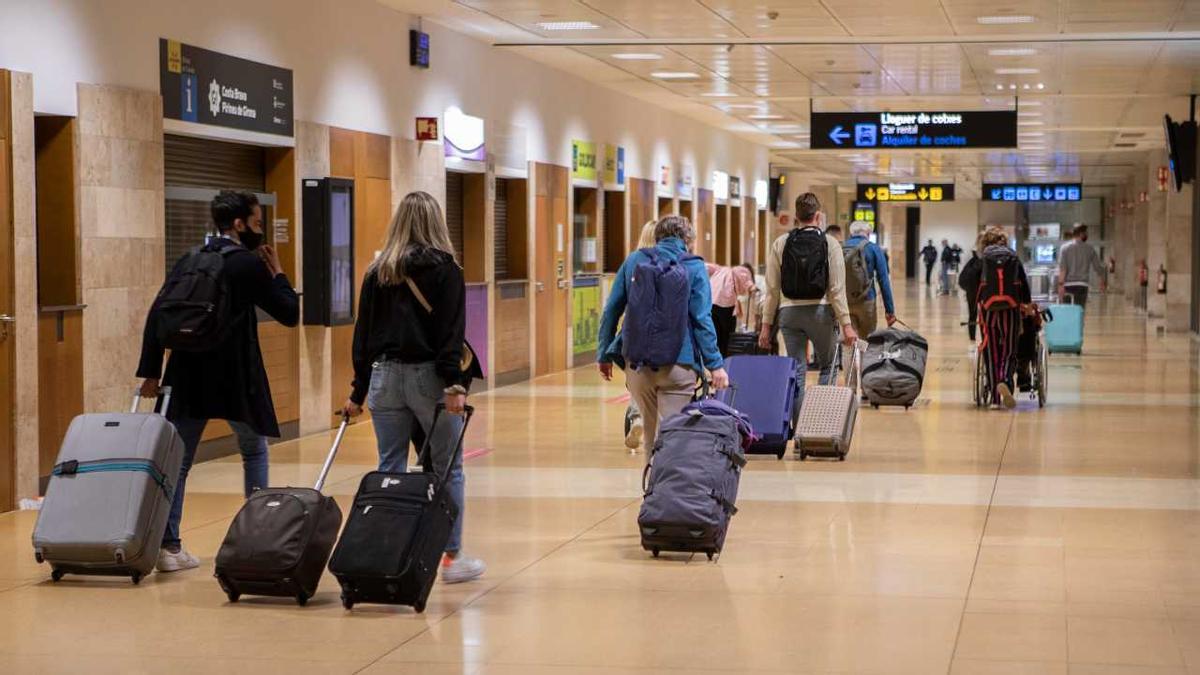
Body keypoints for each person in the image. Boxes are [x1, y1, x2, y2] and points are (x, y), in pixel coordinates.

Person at [137, 190, 299, 572]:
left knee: (178, 461)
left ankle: (168, 547)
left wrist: (151, 371)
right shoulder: (246, 264)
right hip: (235, 375)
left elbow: (157, 312)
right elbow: (289, 312)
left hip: (187, 373)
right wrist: (278, 273)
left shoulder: (191, 258)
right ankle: (256, 539)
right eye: (258, 223)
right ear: (239, 224)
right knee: (254, 450)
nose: (260, 231)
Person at [340, 190, 485, 584]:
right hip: (429, 378)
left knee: (389, 467)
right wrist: (454, 384)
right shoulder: (446, 269)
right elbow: (451, 332)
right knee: (448, 467)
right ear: (436, 222)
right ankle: (451, 557)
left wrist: (358, 392)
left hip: (384, 378)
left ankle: (390, 552)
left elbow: (363, 336)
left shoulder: (377, 271)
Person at [597, 215, 728, 448]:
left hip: (637, 363)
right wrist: (715, 365)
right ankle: (670, 482)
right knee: (672, 436)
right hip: (679, 364)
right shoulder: (695, 266)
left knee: (650, 437)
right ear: (687, 240)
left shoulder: (634, 261)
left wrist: (604, 354)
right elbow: (701, 319)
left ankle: (652, 483)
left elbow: (611, 311)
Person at [759, 192, 858, 414]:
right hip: (821, 312)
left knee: (797, 371)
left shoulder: (781, 243)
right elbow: (836, 289)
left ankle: (797, 429)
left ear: (797, 215)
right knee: (828, 366)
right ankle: (817, 427)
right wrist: (847, 325)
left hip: (789, 314)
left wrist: (766, 326)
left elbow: (772, 289)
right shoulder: (830, 243)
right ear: (818, 216)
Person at [970, 226, 1033, 409]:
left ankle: (995, 399)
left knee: (991, 351)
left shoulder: (982, 260)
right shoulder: (1013, 257)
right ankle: (1005, 379)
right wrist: (1027, 304)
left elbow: (971, 283)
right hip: (1011, 308)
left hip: (988, 309)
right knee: (1008, 349)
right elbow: (1024, 284)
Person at [623, 220, 659, 451]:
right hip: (664, 333)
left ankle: (637, 418)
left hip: (634, 331)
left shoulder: (632, 261)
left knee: (637, 380)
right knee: (662, 383)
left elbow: (619, 301)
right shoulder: (673, 261)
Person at [842, 220, 896, 337]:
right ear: (867, 232)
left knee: (848, 341)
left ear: (851, 232)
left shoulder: (840, 247)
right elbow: (884, 280)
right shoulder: (873, 248)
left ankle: (849, 355)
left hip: (845, 302)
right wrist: (889, 311)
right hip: (867, 301)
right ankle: (863, 355)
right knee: (868, 341)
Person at [706, 262, 758, 357]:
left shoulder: (720, 269)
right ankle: (726, 361)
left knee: (716, 337)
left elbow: (706, 267)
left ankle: (717, 363)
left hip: (711, 302)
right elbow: (746, 280)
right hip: (725, 303)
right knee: (727, 339)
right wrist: (752, 287)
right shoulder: (741, 270)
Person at [1057, 224, 1106, 308]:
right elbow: (1097, 267)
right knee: (1079, 311)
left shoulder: (1064, 248)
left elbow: (1063, 269)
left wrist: (1060, 285)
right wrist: (1102, 281)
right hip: (1082, 285)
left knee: (1067, 312)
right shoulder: (1089, 249)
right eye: (1086, 233)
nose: (1087, 235)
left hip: (1068, 285)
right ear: (1081, 234)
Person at [958, 244, 982, 342]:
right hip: (980, 292)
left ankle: (972, 337)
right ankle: (984, 338)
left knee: (972, 315)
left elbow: (962, 279)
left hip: (971, 292)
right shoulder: (982, 263)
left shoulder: (971, 263)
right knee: (984, 316)